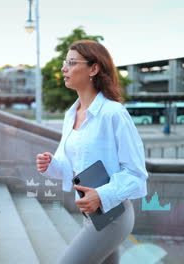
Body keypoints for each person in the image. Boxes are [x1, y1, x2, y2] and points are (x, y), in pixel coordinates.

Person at [36, 40, 148, 264]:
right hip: (91, 215)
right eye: (64, 62)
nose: (63, 68)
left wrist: (101, 195)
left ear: (94, 69)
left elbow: (137, 174)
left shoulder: (113, 113)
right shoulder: (72, 113)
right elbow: (72, 166)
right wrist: (52, 165)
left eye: (71, 62)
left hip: (113, 216)